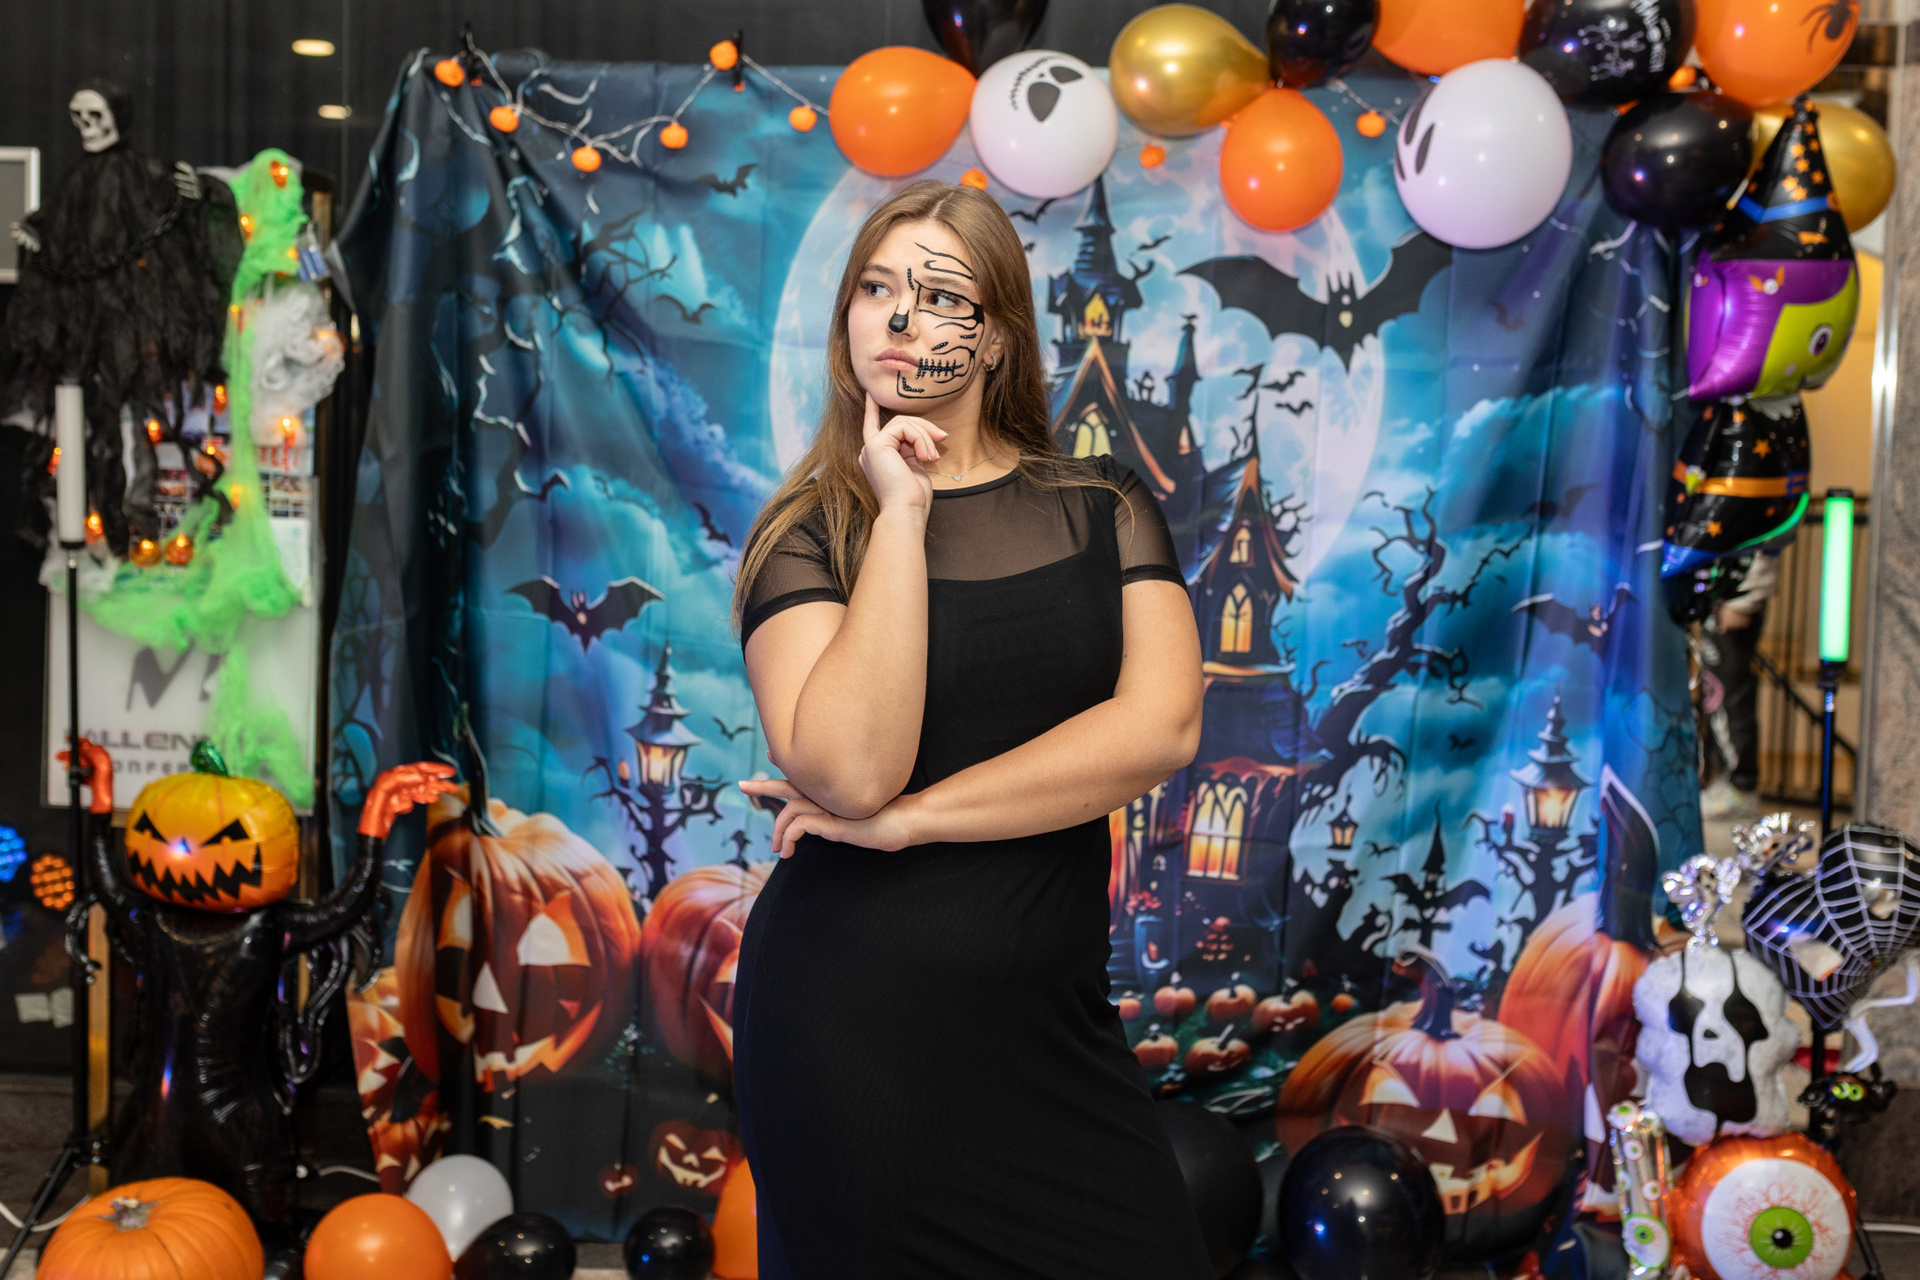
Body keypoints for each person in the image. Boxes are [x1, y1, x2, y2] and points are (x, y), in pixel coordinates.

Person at [730, 180, 1211, 1280]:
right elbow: (853, 770)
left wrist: (917, 822)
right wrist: (902, 508)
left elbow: (1162, 726)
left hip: (1053, 1031)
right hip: (857, 1037)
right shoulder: (808, 534)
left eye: (941, 296)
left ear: (996, 338)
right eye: (875, 289)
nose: (901, 318)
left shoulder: (1104, 506)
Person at [1698, 551, 1778, 820]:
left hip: (1735, 596)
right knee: (1717, 692)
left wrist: (1745, 600)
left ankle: (1741, 787)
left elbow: (1765, 541)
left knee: (1729, 693)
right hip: (1720, 595)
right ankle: (1729, 780)